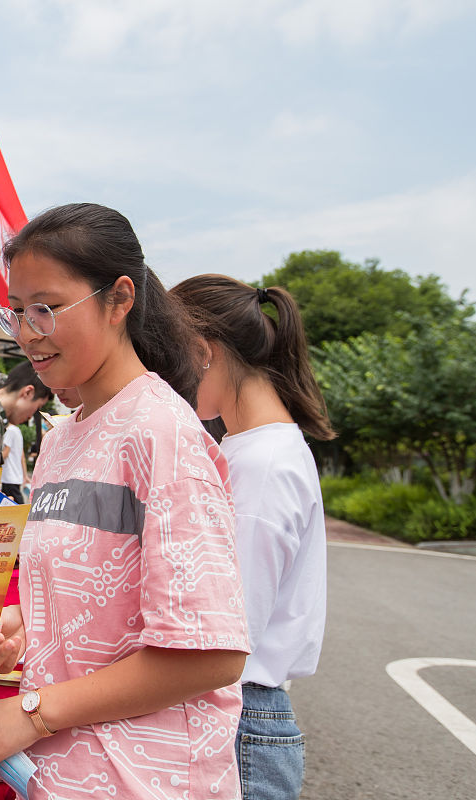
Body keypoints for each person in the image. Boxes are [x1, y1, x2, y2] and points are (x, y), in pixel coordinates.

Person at [0, 203, 249, 800]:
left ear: (119, 299)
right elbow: (100, 598)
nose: (27, 332)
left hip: (146, 780)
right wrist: (25, 626)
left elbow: (211, 654)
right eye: (16, 312)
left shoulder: (160, 434)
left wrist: (33, 711)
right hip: (61, 775)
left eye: (46, 308)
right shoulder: (65, 436)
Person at [171, 274, 335, 800]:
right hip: (238, 713)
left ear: (202, 351)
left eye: (171, 358)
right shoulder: (252, 450)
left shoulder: (263, 465)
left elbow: (224, 633)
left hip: (239, 717)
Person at [0, 423, 26, 503]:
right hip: (16, 475)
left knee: (12, 505)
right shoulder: (17, 430)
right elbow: (22, 455)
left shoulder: (10, 431)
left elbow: (6, 452)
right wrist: (24, 475)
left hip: (9, 475)